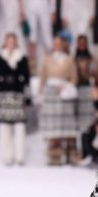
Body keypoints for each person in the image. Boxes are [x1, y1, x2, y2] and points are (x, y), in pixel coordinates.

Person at [0, 32, 31, 166]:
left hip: (18, 97)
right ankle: (7, 157)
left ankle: (20, 157)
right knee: (4, 128)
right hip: (3, 97)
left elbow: (27, 80)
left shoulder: (22, 58)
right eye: (9, 41)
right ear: (5, 43)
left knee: (20, 128)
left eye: (13, 41)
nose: (11, 44)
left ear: (16, 43)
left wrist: (28, 97)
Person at [38, 33, 79, 165]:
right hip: (51, 95)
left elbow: (74, 78)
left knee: (67, 126)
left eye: (59, 43)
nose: (57, 46)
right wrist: (40, 95)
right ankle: (54, 155)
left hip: (64, 95)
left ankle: (71, 155)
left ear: (63, 45)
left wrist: (66, 86)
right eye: (55, 43)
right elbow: (42, 79)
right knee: (53, 126)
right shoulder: (47, 59)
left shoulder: (69, 60)